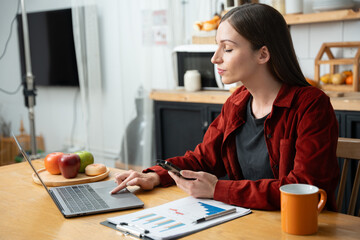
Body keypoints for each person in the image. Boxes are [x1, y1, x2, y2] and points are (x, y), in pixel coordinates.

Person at [110, 3, 339, 211]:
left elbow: (304, 188)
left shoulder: (311, 105)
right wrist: (156, 175)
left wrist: (218, 189)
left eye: (227, 49)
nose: (215, 58)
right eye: (217, 47)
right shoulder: (236, 102)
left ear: (263, 54)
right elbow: (203, 160)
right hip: (249, 219)